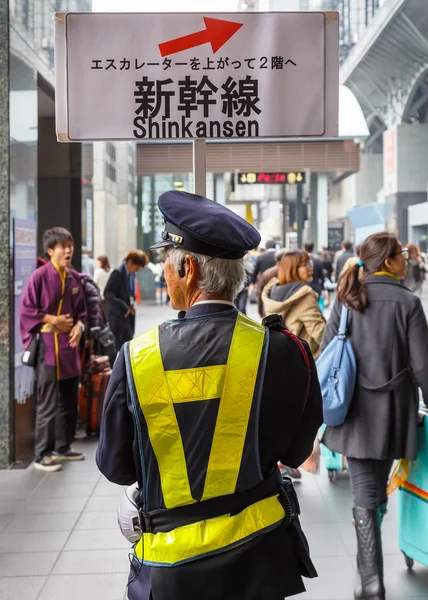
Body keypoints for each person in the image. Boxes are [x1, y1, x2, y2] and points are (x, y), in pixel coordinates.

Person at [97, 191, 322, 600]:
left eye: (167, 262)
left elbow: (116, 466)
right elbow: (295, 453)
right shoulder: (287, 350)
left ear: (187, 269)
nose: (164, 272)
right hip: (261, 564)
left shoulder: (135, 359)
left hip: (171, 574)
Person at [321, 232, 428, 600]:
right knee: (372, 490)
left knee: (368, 492)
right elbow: (424, 367)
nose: (406, 259)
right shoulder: (408, 303)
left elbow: (326, 353)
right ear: (387, 261)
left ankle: (370, 577)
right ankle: (371, 578)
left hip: (353, 413)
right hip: (394, 413)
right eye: (401, 254)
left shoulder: (347, 300)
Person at [20, 227, 87, 472]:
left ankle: (63, 447)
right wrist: (53, 319)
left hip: (68, 347)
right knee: (48, 403)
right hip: (48, 348)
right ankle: (42, 454)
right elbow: (27, 311)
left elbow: (81, 312)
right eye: (62, 246)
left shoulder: (74, 277)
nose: (68, 250)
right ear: (50, 251)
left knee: (69, 400)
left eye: (70, 246)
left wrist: (79, 326)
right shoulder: (39, 277)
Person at [262, 250, 326, 358]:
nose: (311, 268)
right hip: (306, 357)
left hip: (283, 355)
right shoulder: (304, 295)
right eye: (306, 265)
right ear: (293, 269)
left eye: (310, 263)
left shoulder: (273, 290)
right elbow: (319, 331)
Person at [103, 249, 147, 351]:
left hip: (127, 316)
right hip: (116, 316)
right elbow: (107, 293)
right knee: (116, 346)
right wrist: (124, 306)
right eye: (137, 267)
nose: (137, 270)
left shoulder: (130, 274)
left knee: (127, 346)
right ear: (130, 262)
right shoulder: (118, 272)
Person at [257, 248, 287, 318]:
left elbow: (260, 292)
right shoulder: (288, 273)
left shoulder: (267, 273)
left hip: (268, 310)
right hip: (285, 310)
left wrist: (260, 310)